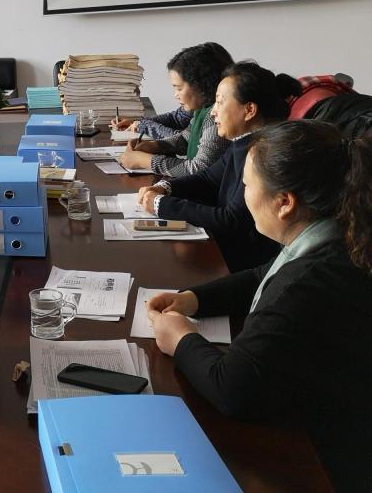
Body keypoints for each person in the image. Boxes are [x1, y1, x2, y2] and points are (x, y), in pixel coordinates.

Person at [146, 121, 372, 492]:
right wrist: (193, 299)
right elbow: (259, 275)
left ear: (285, 202)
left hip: (325, 456)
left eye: (248, 185)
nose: (243, 194)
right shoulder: (334, 234)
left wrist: (181, 338)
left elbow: (232, 388)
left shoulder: (308, 282)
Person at [137, 61, 289, 271]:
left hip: (243, 264)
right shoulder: (242, 141)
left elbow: (232, 220)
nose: (212, 112)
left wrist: (161, 205)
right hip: (224, 249)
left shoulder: (264, 152)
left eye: (219, 103)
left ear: (249, 110)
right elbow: (208, 178)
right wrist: (165, 187)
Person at [118, 42, 233, 177]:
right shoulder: (201, 110)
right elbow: (185, 139)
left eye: (179, 88)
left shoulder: (215, 117)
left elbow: (198, 168)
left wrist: (144, 161)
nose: (175, 95)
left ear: (201, 85)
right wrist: (154, 146)